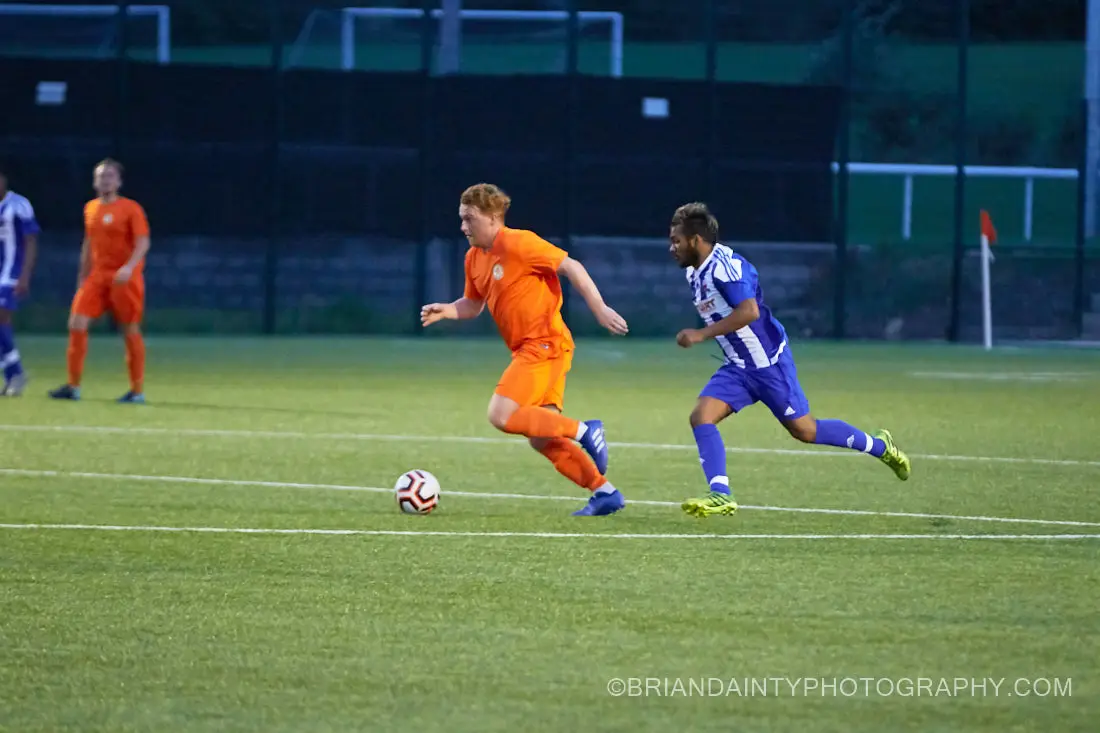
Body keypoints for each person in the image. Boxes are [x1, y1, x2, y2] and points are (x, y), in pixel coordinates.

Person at [668, 202, 911, 518]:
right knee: (701, 417)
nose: (671, 247)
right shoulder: (693, 272)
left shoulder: (726, 269)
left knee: (805, 431)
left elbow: (750, 311)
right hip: (738, 367)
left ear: (696, 240)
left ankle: (880, 446)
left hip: (768, 364)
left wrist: (701, 335)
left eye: (676, 240)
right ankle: (720, 494)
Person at [420, 183, 630, 516]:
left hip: (544, 344)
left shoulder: (520, 243)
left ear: (492, 218)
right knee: (541, 436)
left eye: (469, 219)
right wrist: (448, 309)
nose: (462, 227)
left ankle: (585, 430)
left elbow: (571, 266)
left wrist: (600, 308)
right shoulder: (474, 257)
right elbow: (473, 304)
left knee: (500, 414)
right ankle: (605, 492)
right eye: (461, 219)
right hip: (532, 349)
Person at [49, 158, 150, 403]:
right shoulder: (90, 208)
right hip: (97, 276)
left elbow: (143, 242)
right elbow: (89, 243)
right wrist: (82, 274)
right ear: (95, 181)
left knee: (129, 329)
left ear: (119, 181)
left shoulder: (131, 208)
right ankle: (73, 387)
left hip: (124, 277)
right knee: (76, 323)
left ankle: (136, 391)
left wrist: (129, 267)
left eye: (110, 176)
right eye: (100, 176)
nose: (105, 180)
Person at [0, 166, 40, 396]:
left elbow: (31, 240)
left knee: (1, 316)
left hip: (11, 271)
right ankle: (13, 375)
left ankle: (16, 374)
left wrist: (24, 275)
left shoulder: (18, 204)